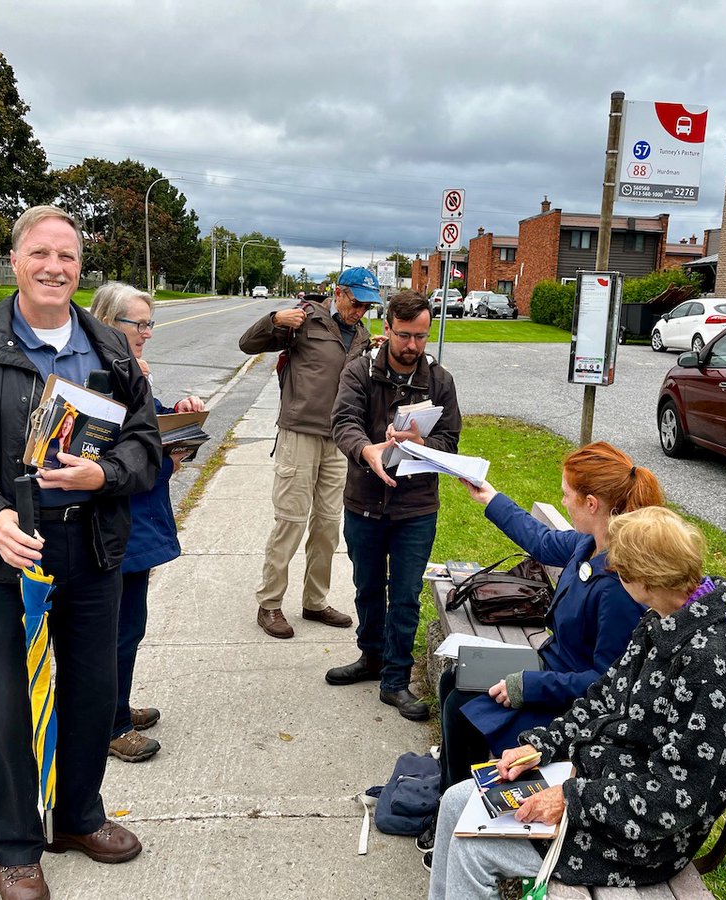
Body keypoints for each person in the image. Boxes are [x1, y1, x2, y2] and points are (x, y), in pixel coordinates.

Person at [0, 206, 160, 900]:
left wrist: (105, 474)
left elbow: (145, 440)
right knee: (9, 700)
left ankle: (77, 817)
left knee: (91, 688)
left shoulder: (109, 347)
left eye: (67, 256)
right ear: (14, 261)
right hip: (7, 553)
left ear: (81, 269)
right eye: (40, 253)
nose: (54, 267)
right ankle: (16, 847)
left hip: (92, 544)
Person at [427, 506, 726, 895]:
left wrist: (571, 799)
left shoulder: (709, 662)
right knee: (454, 802)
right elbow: (604, 695)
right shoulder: (663, 617)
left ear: (645, 580)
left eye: (619, 571)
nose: (614, 575)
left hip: (640, 835)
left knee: (474, 849)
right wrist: (543, 745)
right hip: (601, 780)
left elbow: (676, 797)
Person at [437, 443, 663, 790]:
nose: (563, 502)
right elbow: (542, 541)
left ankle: (461, 799)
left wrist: (530, 686)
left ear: (592, 504)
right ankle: (448, 793)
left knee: (462, 705)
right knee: (454, 679)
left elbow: (606, 682)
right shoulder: (589, 543)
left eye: (567, 495)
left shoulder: (620, 588)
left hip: (571, 702)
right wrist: (490, 498)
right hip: (551, 668)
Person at [326, 290, 462, 721]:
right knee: (367, 587)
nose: (412, 345)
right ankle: (371, 656)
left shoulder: (440, 380)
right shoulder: (359, 372)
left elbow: (451, 441)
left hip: (415, 508)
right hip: (364, 501)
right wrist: (365, 450)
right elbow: (343, 421)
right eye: (404, 335)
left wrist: (426, 443)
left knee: (404, 596)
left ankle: (396, 680)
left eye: (421, 336)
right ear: (387, 329)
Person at [90, 281, 204, 764]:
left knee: (129, 626)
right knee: (111, 630)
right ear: (106, 322)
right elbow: (104, 456)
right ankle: (108, 726)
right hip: (111, 527)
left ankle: (116, 706)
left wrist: (179, 416)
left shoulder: (128, 370)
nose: (147, 332)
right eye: (138, 323)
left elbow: (148, 427)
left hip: (134, 527)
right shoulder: (99, 378)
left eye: (149, 323)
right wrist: (166, 463)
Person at [238, 267, 379, 639]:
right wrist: (273, 321)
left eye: (367, 306)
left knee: (328, 526)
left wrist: (375, 354)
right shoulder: (304, 319)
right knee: (291, 521)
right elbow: (247, 344)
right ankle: (269, 603)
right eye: (357, 302)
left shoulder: (362, 336)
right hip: (299, 431)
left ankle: (315, 601)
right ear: (339, 293)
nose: (361, 311)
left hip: (339, 439)